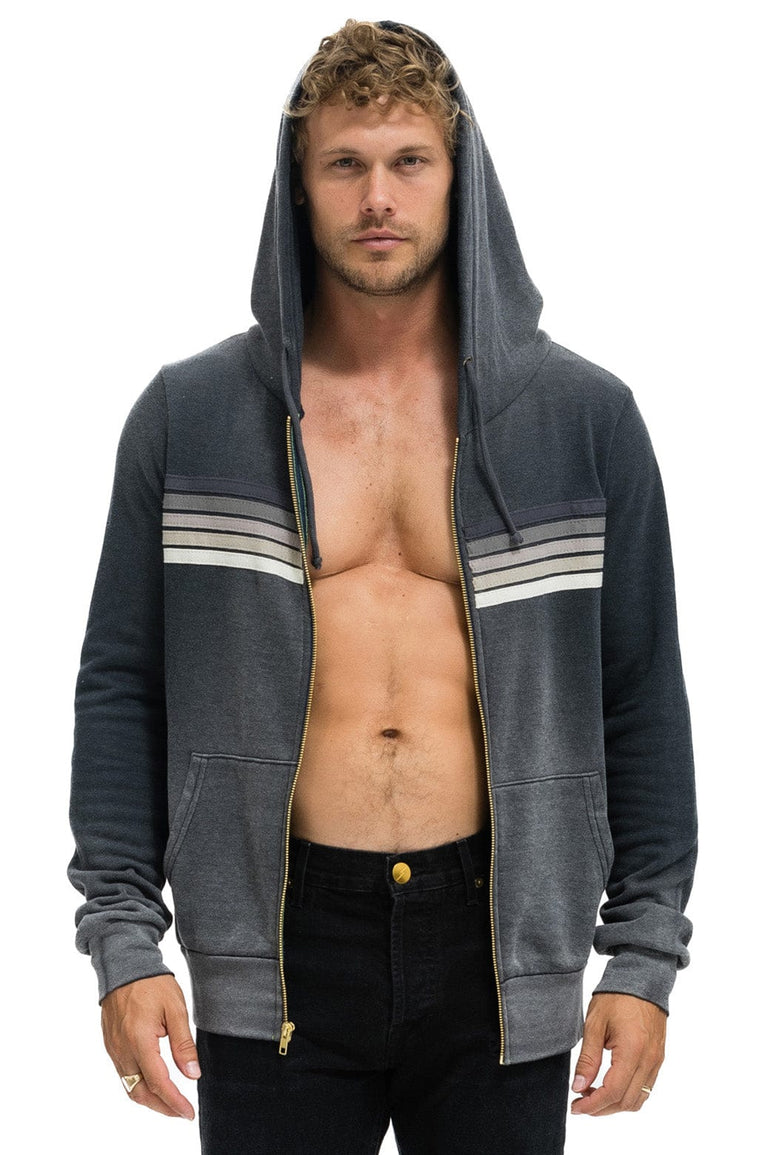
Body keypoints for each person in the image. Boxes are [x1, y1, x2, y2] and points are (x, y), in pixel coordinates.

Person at [67, 18, 698, 1154]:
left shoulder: (584, 420)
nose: (377, 197)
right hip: (274, 945)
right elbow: (123, 686)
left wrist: (643, 953)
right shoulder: (189, 417)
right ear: (297, 186)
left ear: (459, 176)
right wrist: (123, 940)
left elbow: (640, 692)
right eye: (343, 163)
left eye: (409, 160)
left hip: (501, 941)